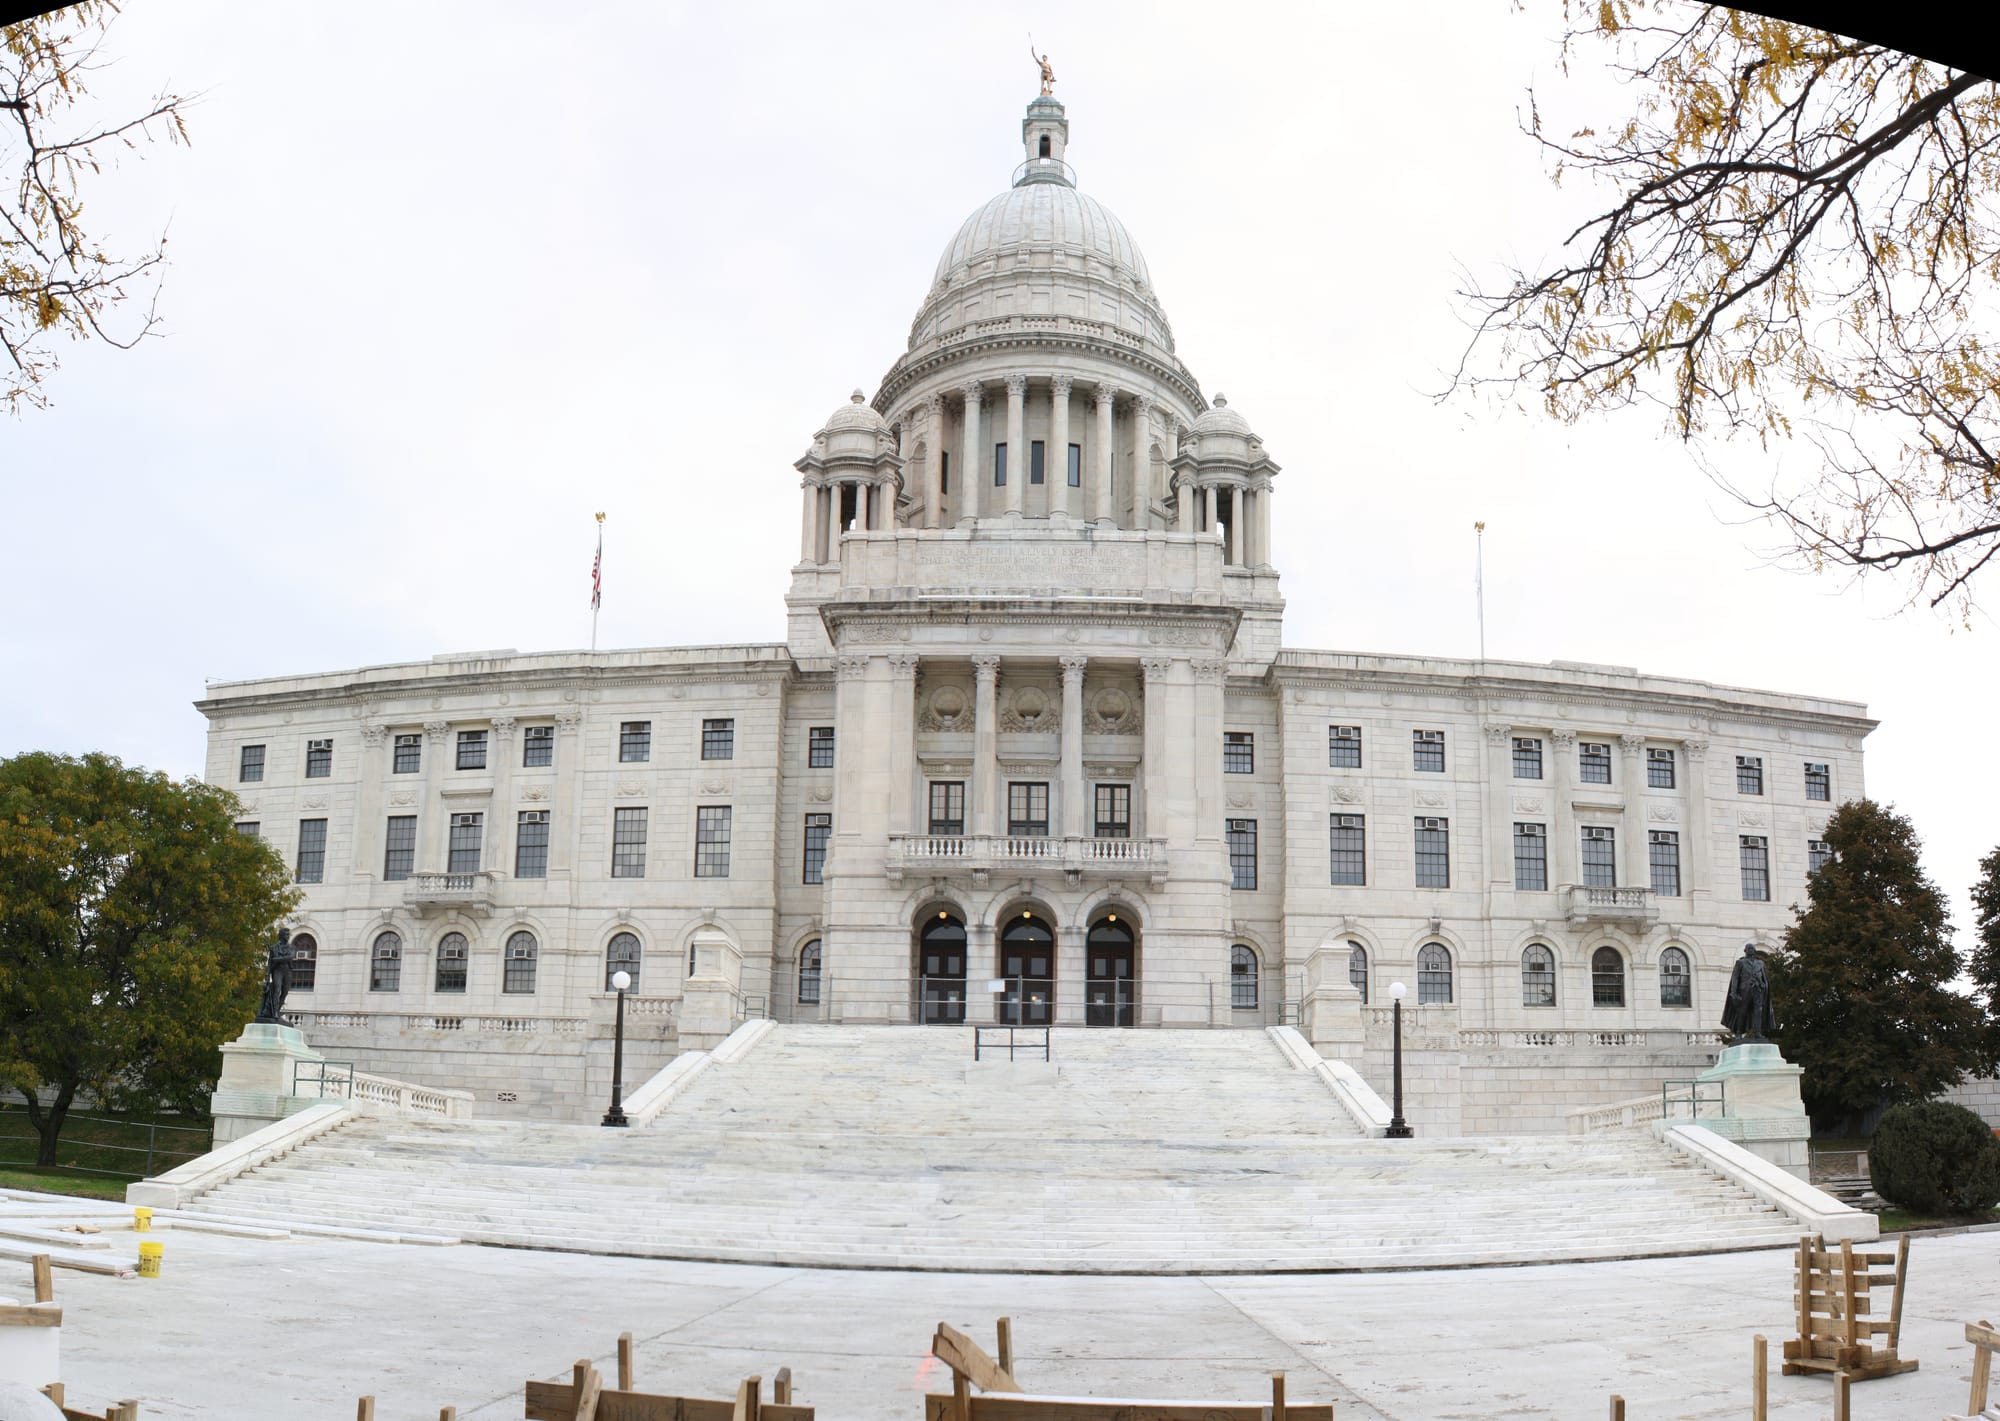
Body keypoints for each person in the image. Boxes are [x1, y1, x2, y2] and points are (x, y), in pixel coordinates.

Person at [1720, 942, 1777, 1043]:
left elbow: (1765, 978)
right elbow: (1735, 978)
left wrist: (1764, 986)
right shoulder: (1740, 963)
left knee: (1758, 1012)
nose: (1751, 950)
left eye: (1752, 948)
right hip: (1744, 991)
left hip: (1758, 991)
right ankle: (1738, 1033)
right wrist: (1733, 992)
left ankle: (1758, 1033)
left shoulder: (1760, 963)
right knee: (1742, 1012)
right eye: (1748, 948)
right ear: (1745, 951)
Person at [254, 927, 294, 1025]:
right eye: (286, 935)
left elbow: (290, 957)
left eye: (288, 935)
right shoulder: (274, 948)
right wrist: (267, 974)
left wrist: (278, 959)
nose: (287, 937)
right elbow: (270, 962)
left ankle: (278, 1010)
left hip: (287, 971)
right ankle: (275, 1012)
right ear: (281, 935)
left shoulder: (291, 947)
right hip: (277, 971)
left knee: (284, 993)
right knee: (277, 990)